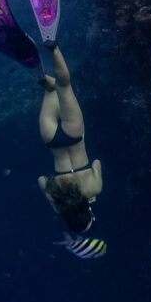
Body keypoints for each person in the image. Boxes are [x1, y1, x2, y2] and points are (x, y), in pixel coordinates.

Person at [37, 42, 102, 233]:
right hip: (52, 141)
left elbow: (97, 163)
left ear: (88, 212)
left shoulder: (95, 189)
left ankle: (52, 47)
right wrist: (55, 203)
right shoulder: (58, 204)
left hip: (75, 136)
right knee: (50, 90)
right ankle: (39, 74)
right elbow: (41, 180)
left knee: (63, 86)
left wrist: (88, 195)